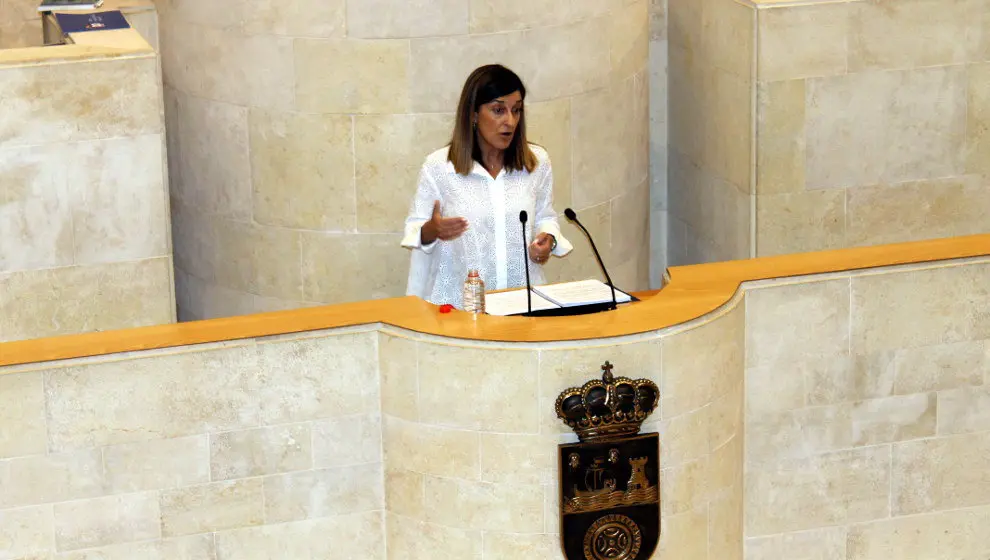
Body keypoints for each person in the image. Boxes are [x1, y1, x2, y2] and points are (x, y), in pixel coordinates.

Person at [401, 64, 572, 308]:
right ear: (473, 113)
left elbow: (546, 216)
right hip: (459, 308)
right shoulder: (439, 167)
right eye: (498, 110)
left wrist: (549, 239)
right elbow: (415, 230)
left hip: (522, 303)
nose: (510, 121)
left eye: (516, 110)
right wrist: (433, 229)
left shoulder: (536, 163)